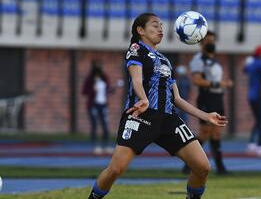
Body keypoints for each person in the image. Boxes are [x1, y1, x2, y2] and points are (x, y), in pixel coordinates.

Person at [87, 13, 228, 199]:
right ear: (140, 30)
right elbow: (137, 80)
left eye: (161, 25)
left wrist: (205, 116)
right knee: (115, 170)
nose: (160, 29)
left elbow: (176, 98)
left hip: (168, 118)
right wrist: (143, 99)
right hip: (141, 116)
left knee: (202, 167)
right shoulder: (136, 49)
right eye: (155, 25)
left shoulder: (165, 60)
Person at [183, 30, 233, 175]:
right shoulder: (199, 59)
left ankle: (220, 167)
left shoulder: (214, 60)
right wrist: (219, 84)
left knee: (216, 132)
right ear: (201, 43)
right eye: (208, 41)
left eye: (212, 40)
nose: (211, 43)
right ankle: (189, 163)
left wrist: (225, 83)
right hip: (207, 97)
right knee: (204, 132)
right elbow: (197, 79)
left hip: (217, 98)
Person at [244, 45, 261, 158]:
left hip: (251, 96)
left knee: (258, 120)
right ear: (260, 54)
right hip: (259, 96)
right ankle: (260, 147)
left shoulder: (252, 63)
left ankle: (251, 143)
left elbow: (245, 69)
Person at [82, 60, 113, 154]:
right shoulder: (89, 79)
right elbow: (84, 92)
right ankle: (95, 146)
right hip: (93, 105)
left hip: (103, 105)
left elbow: (108, 90)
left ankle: (106, 145)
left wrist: (113, 89)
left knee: (105, 126)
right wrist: (93, 90)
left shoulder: (105, 78)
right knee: (94, 125)